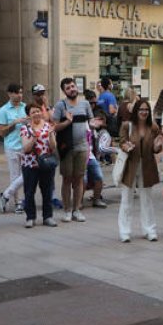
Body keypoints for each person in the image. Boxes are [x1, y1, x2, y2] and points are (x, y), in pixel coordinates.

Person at [115, 99, 163, 243]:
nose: (144, 112)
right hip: (130, 166)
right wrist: (126, 146)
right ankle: (124, 231)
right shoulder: (127, 125)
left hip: (147, 165)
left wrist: (158, 146)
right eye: (141, 109)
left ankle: (150, 230)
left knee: (147, 199)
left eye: (146, 110)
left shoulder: (153, 127)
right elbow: (122, 142)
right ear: (136, 111)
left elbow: (156, 147)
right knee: (126, 199)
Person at [52, 77, 92, 224]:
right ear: (64, 91)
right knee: (67, 179)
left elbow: (90, 122)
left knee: (79, 178)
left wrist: (96, 123)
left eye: (73, 86)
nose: (72, 89)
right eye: (68, 88)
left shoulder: (85, 104)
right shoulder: (60, 105)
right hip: (66, 148)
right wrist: (67, 121)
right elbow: (54, 127)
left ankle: (77, 210)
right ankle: (67, 210)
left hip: (83, 147)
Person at [19, 105, 58, 228]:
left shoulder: (48, 126)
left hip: (46, 163)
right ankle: (30, 217)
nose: (36, 113)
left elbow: (53, 147)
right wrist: (34, 137)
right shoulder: (25, 128)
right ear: (28, 115)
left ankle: (48, 216)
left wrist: (51, 135)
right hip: (30, 164)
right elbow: (26, 148)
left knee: (47, 191)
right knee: (29, 192)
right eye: (33, 112)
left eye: (38, 111)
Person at [0, 84, 27, 215]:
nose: (19, 95)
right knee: (15, 176)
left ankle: (5, 195)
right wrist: (14, 123)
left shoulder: (25, 107)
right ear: (9, 94)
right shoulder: (3, 110)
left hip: (26, 145)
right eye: (16, 93)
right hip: (12, 146)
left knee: (26, 173)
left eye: (20, 92)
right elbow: (1, 132)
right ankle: (18, 203)